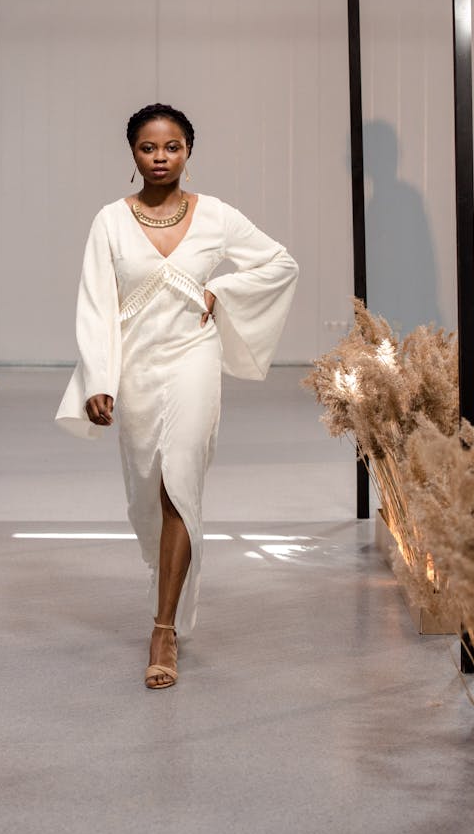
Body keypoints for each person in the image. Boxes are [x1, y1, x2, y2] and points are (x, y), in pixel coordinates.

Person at [56, 103, 298, 689]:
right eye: (148, 148)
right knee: (146, 494)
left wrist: (221, 288)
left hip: (194, 358)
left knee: (179, 480)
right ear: (132, 154)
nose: (160, 158)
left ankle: (162, 630)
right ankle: (165, 586)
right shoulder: (110, 221)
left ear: (189, 151)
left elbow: (278, 262)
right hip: (135, 366)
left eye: (172, 147)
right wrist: (100, 379)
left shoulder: (214, 215)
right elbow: (96, 306)